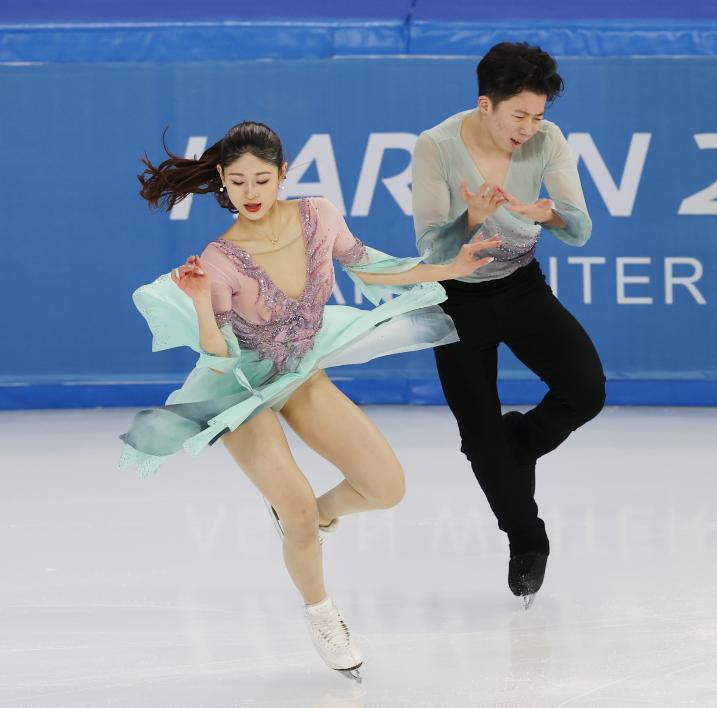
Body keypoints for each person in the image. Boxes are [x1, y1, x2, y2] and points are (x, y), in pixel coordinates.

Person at [120, 121, 499, 678]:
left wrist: (452, 269)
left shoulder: (318, 214)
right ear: (222, 179)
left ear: (283, 175)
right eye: (238, 182)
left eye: (262, 180)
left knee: (386, 487)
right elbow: (218, 355)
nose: (250, 193)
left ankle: (315, 518)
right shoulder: (219, 258)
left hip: (299, 370)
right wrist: (200, 300)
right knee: (294, 506)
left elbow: (368, 265)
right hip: (239, 388)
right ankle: (322, 611)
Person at [411, 43, 606, 607]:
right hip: (456, 299)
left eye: (537, 116)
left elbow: (580, 230)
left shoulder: (548, 140)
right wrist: (470, 218)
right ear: (485, 104)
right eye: (519, 115)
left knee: (586, 391)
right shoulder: (436, 146)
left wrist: (550, 214)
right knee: (478, 436)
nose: (529, 128)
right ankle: (527, 540)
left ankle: (516, 443)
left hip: (521, 285)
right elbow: (430, 249)